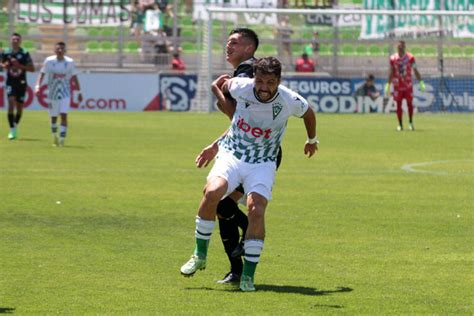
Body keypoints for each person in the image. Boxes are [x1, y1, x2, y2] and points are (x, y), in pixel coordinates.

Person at [180, 57, 318, 292]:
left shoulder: (288, 99)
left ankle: (247, 277)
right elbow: (225, 87)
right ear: (254, 78)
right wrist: (219, 87)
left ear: (279, 81)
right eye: (261, 81)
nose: (265, 87)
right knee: (212, 192)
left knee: (256, 209)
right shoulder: (240, 86)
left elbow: (308, 113)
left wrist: (311, 140)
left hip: (263, 162)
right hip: (233, 154)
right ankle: (199, 255)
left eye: (271, 82)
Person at [195, 28, 260, 285]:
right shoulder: (250, 70)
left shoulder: (247, 72)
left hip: (255, 155)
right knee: (223, 206)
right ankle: (237, 267)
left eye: (234, 42)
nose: (227, 46)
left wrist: (216, 91)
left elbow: (233, 115)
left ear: (249, 48)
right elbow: (242, 122)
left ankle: (238, 263)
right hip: (247, 149)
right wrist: (215, 145)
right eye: (228, 41)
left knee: (222, 206)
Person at [34, 42, 83, 147]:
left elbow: (74, 77)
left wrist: (78, 92)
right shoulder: (49, 61)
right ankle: (55, 136)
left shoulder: (70, 62)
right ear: (54, 50)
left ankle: (62, 138)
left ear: (65, 51)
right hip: (52, 93)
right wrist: (37, 86)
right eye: (58, 49)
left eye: (62, 49)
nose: (60, 50)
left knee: (64, 115)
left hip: (65, 92)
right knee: (53, 117)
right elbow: (42, 73)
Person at [1, 33, 35, 140]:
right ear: (11, 40)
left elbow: (32, 69)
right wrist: (4, 65)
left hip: (21, 82)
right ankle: (12, 129)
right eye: (13, 39)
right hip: (11, 82)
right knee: (11, 103)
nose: (15, 40)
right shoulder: (6, 52)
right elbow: (2, 64)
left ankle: (15, 125)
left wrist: (19, 66)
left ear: (20, 41)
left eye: (17, 39)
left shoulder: (25, 53)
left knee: (19, 108)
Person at [385, 40, 425, 131]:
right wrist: (388, 84)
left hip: (408, 85)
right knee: (398, 105)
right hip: (397, 85)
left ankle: (410, 123)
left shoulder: (410, 58)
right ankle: (400, 124)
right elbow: (391, 72)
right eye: (399, 46)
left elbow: (415, 70)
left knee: (409, 104)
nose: (400, 48)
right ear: (397, 47)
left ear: (404, 47)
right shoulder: (393, 58)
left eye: (402, 46)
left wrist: (421, 82)